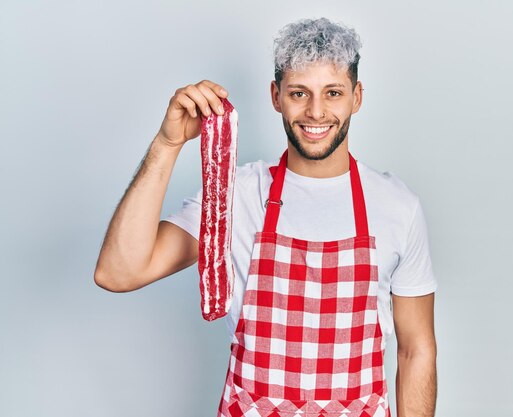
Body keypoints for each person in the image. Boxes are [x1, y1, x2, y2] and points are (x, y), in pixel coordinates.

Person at [94, 17, 438, 417]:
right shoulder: (233, 195)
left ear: (356, 98)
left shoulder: (397, 207)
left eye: (333, 93)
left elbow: (416, 350)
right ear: (276, 96)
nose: (316, 111)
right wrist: (168, 143)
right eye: (298, 93)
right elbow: (118, 273)